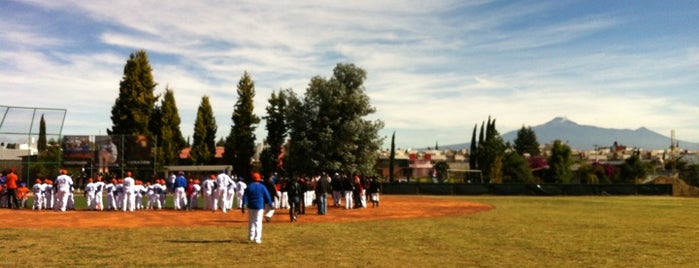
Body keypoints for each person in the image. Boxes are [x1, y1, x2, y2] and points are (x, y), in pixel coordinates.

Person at [242, 172, 273, 244]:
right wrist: (270, 203)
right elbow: (267, 196)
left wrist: (243, 205)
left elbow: (245, 197)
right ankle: (257, 238)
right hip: (259, 206)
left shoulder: (249, 186)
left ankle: (251, 236)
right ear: (259, 179)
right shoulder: (262, 187)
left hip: (251, 206)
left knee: (251, 221)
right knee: (258, 222)